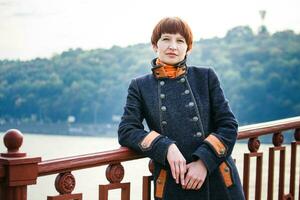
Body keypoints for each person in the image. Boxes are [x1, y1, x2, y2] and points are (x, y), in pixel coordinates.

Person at [118, 17, 245, 200]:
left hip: (218, 180)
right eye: (166, 39)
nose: (173, 46)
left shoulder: (206, 76)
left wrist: (203, 162)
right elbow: (127, 130)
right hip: (174, 184)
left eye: (180, 41)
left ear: (188, 48)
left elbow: (228, 125)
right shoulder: (140, 86)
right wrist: (165, 146)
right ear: (155, 45)